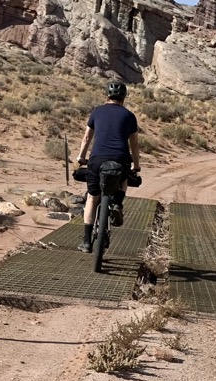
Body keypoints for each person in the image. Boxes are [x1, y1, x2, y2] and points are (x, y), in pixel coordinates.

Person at [75, 80, 141, 254]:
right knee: (124, 176)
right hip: (121, 159)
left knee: (92, 198)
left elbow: (86, 138)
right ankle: (118, 202)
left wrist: (81, 157)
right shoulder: (129, 116)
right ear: (124, 97)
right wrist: (137, 165)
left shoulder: (97, 112)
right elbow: (134, 145)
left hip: (97, 159)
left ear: (107, 95)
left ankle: (87, 242)